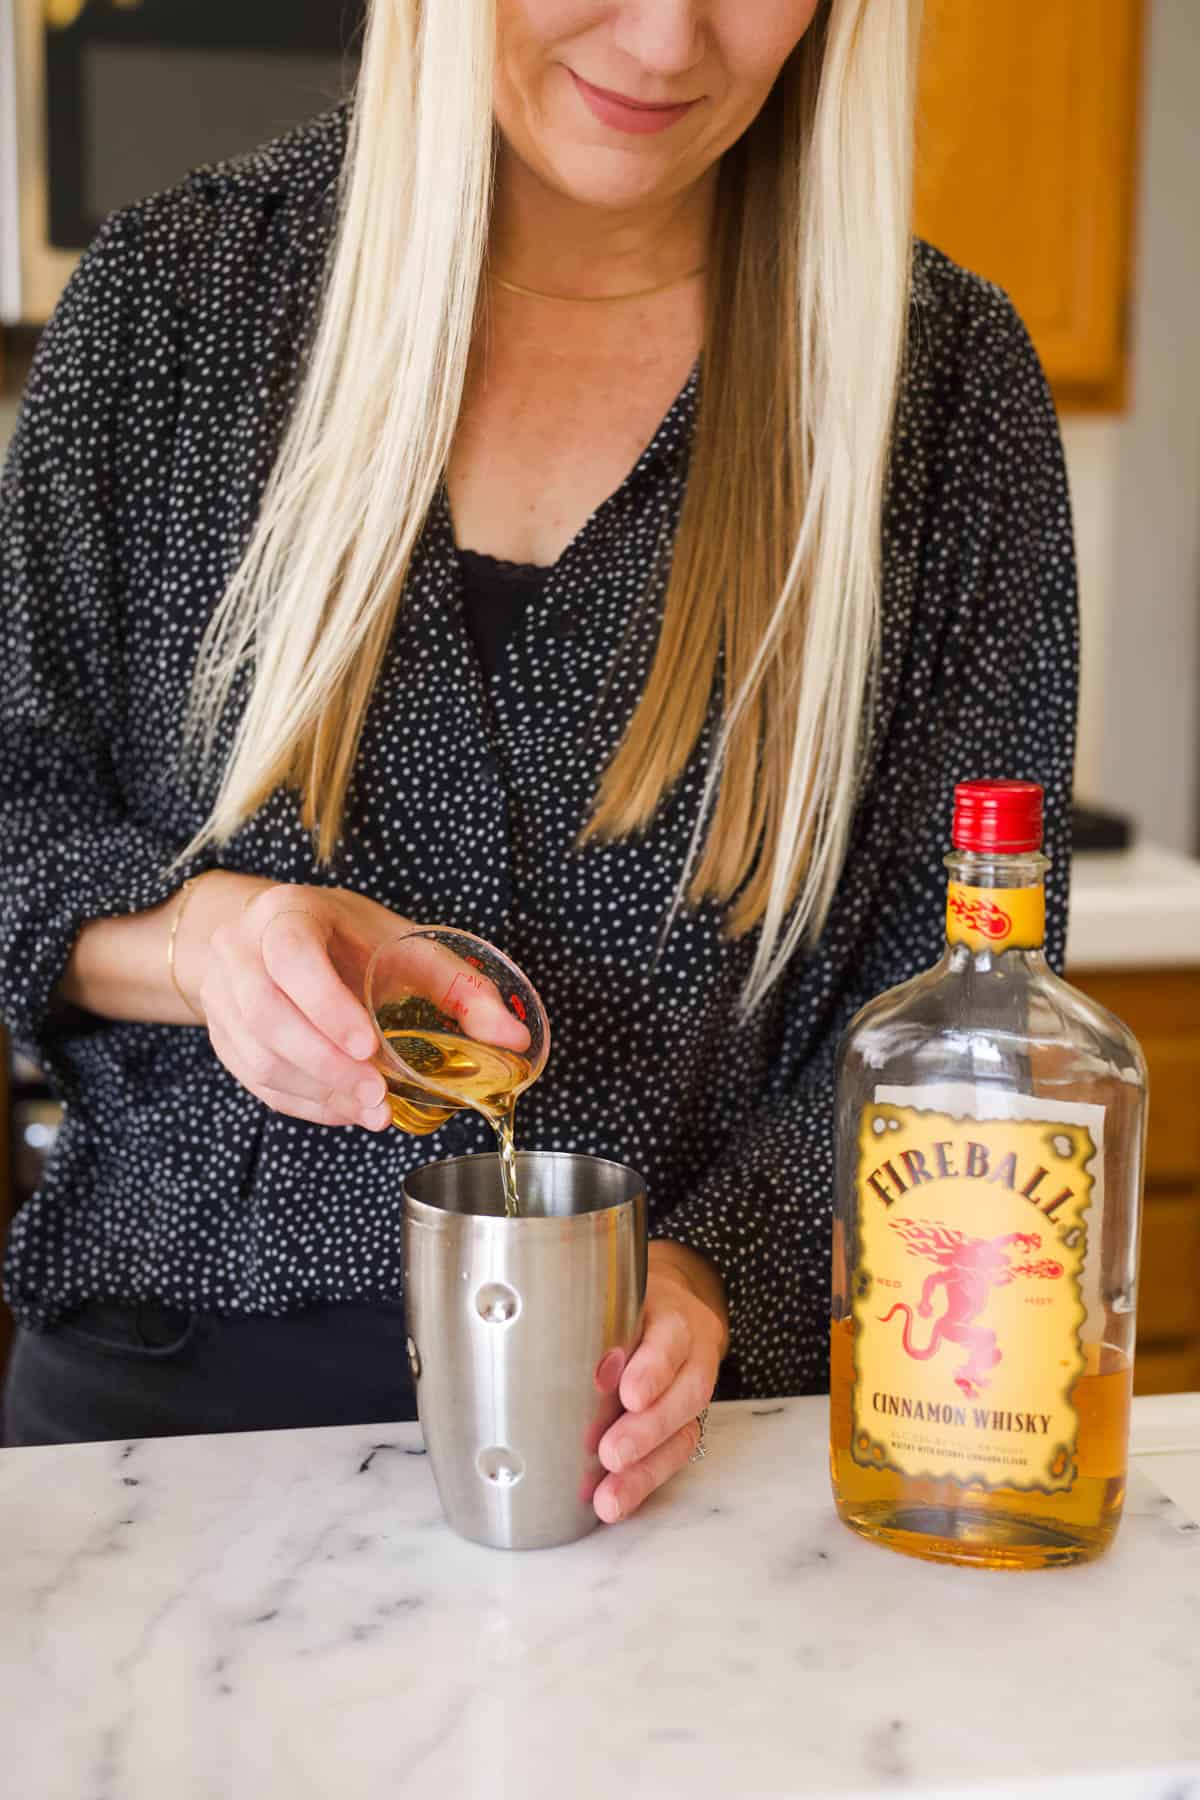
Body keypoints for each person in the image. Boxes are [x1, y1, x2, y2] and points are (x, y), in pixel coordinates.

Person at [0, 0, 1077, 1528]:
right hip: (166, 1441)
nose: (662, 41)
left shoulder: (940, 396)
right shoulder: (178, 305)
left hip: (689, 1453)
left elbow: (961, 997)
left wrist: (718, 1274)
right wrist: (204, 946)